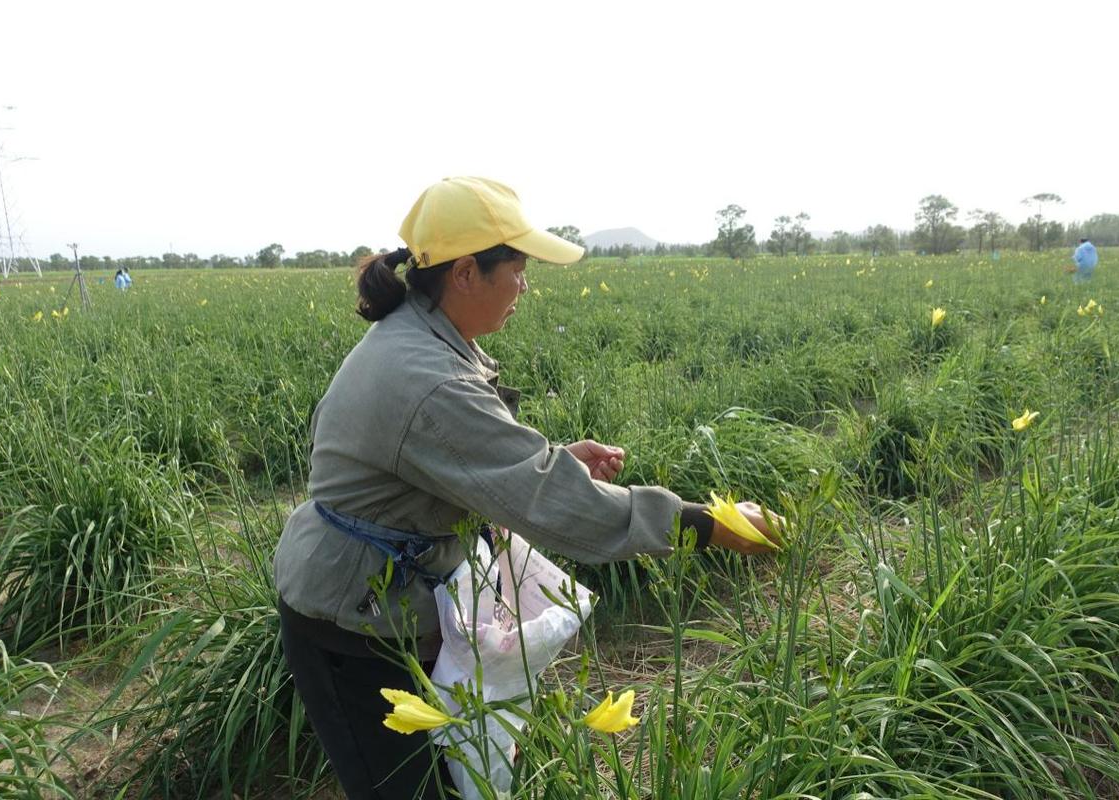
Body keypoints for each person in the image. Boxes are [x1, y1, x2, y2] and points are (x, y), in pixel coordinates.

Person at [273, 176, 778, 799]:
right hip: (351, 624)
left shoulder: (423, 337)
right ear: (464, 273)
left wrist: (556, 460)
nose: (525, 287)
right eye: (517, 268)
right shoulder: (427, 374)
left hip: (387, 600)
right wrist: (706, 522)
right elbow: (554, 505)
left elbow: (438, 461)